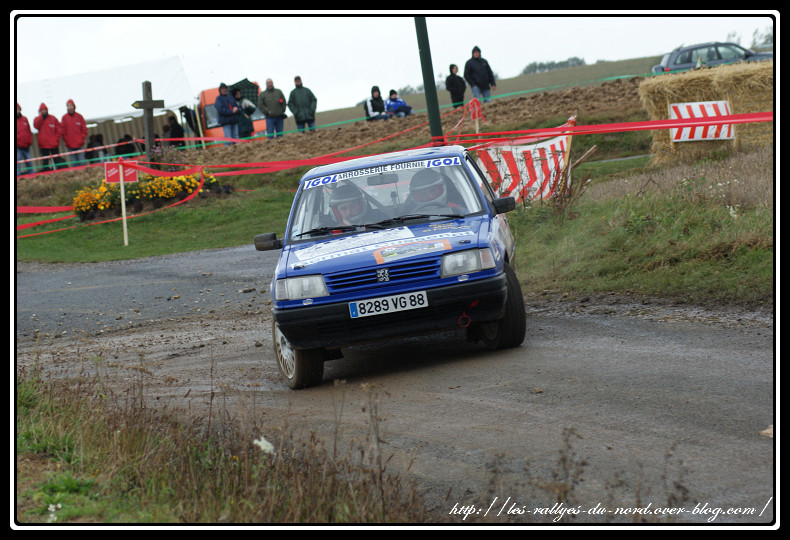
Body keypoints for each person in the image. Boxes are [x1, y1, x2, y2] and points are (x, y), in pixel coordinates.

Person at [33, 103, 62, 171]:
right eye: (42, 110)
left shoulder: (53, 118)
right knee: (45, 162)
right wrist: (41, 117)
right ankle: (47, 173)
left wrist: (56, 139)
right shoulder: (38, 119)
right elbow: (36, 126)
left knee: (57, 160)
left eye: (44, 109)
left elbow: (59, 129)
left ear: (47, 110)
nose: (43, 111)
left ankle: (59, 171)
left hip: (53, 144)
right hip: (43, 145)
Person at [61, 99, 88, 166]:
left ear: (74, 106)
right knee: (74, 163)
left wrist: (81, 139)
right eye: (68, 106)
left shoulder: (79, 117)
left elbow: (84, 129)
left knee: (82, 162)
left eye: (71, 105)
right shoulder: (64, 118)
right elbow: (62, 131)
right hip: (70, 145)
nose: (69, 107)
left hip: (80, 144)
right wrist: (67, 141)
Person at [16, 103, 33, 176]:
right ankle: (17, 176)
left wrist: (29, 141)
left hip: (26, 145)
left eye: (17, 109)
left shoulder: (25, 119)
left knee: (29, 161)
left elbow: (29, 131)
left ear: (20, 109)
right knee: (17, 162)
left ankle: (31, 175)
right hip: (17, 147)